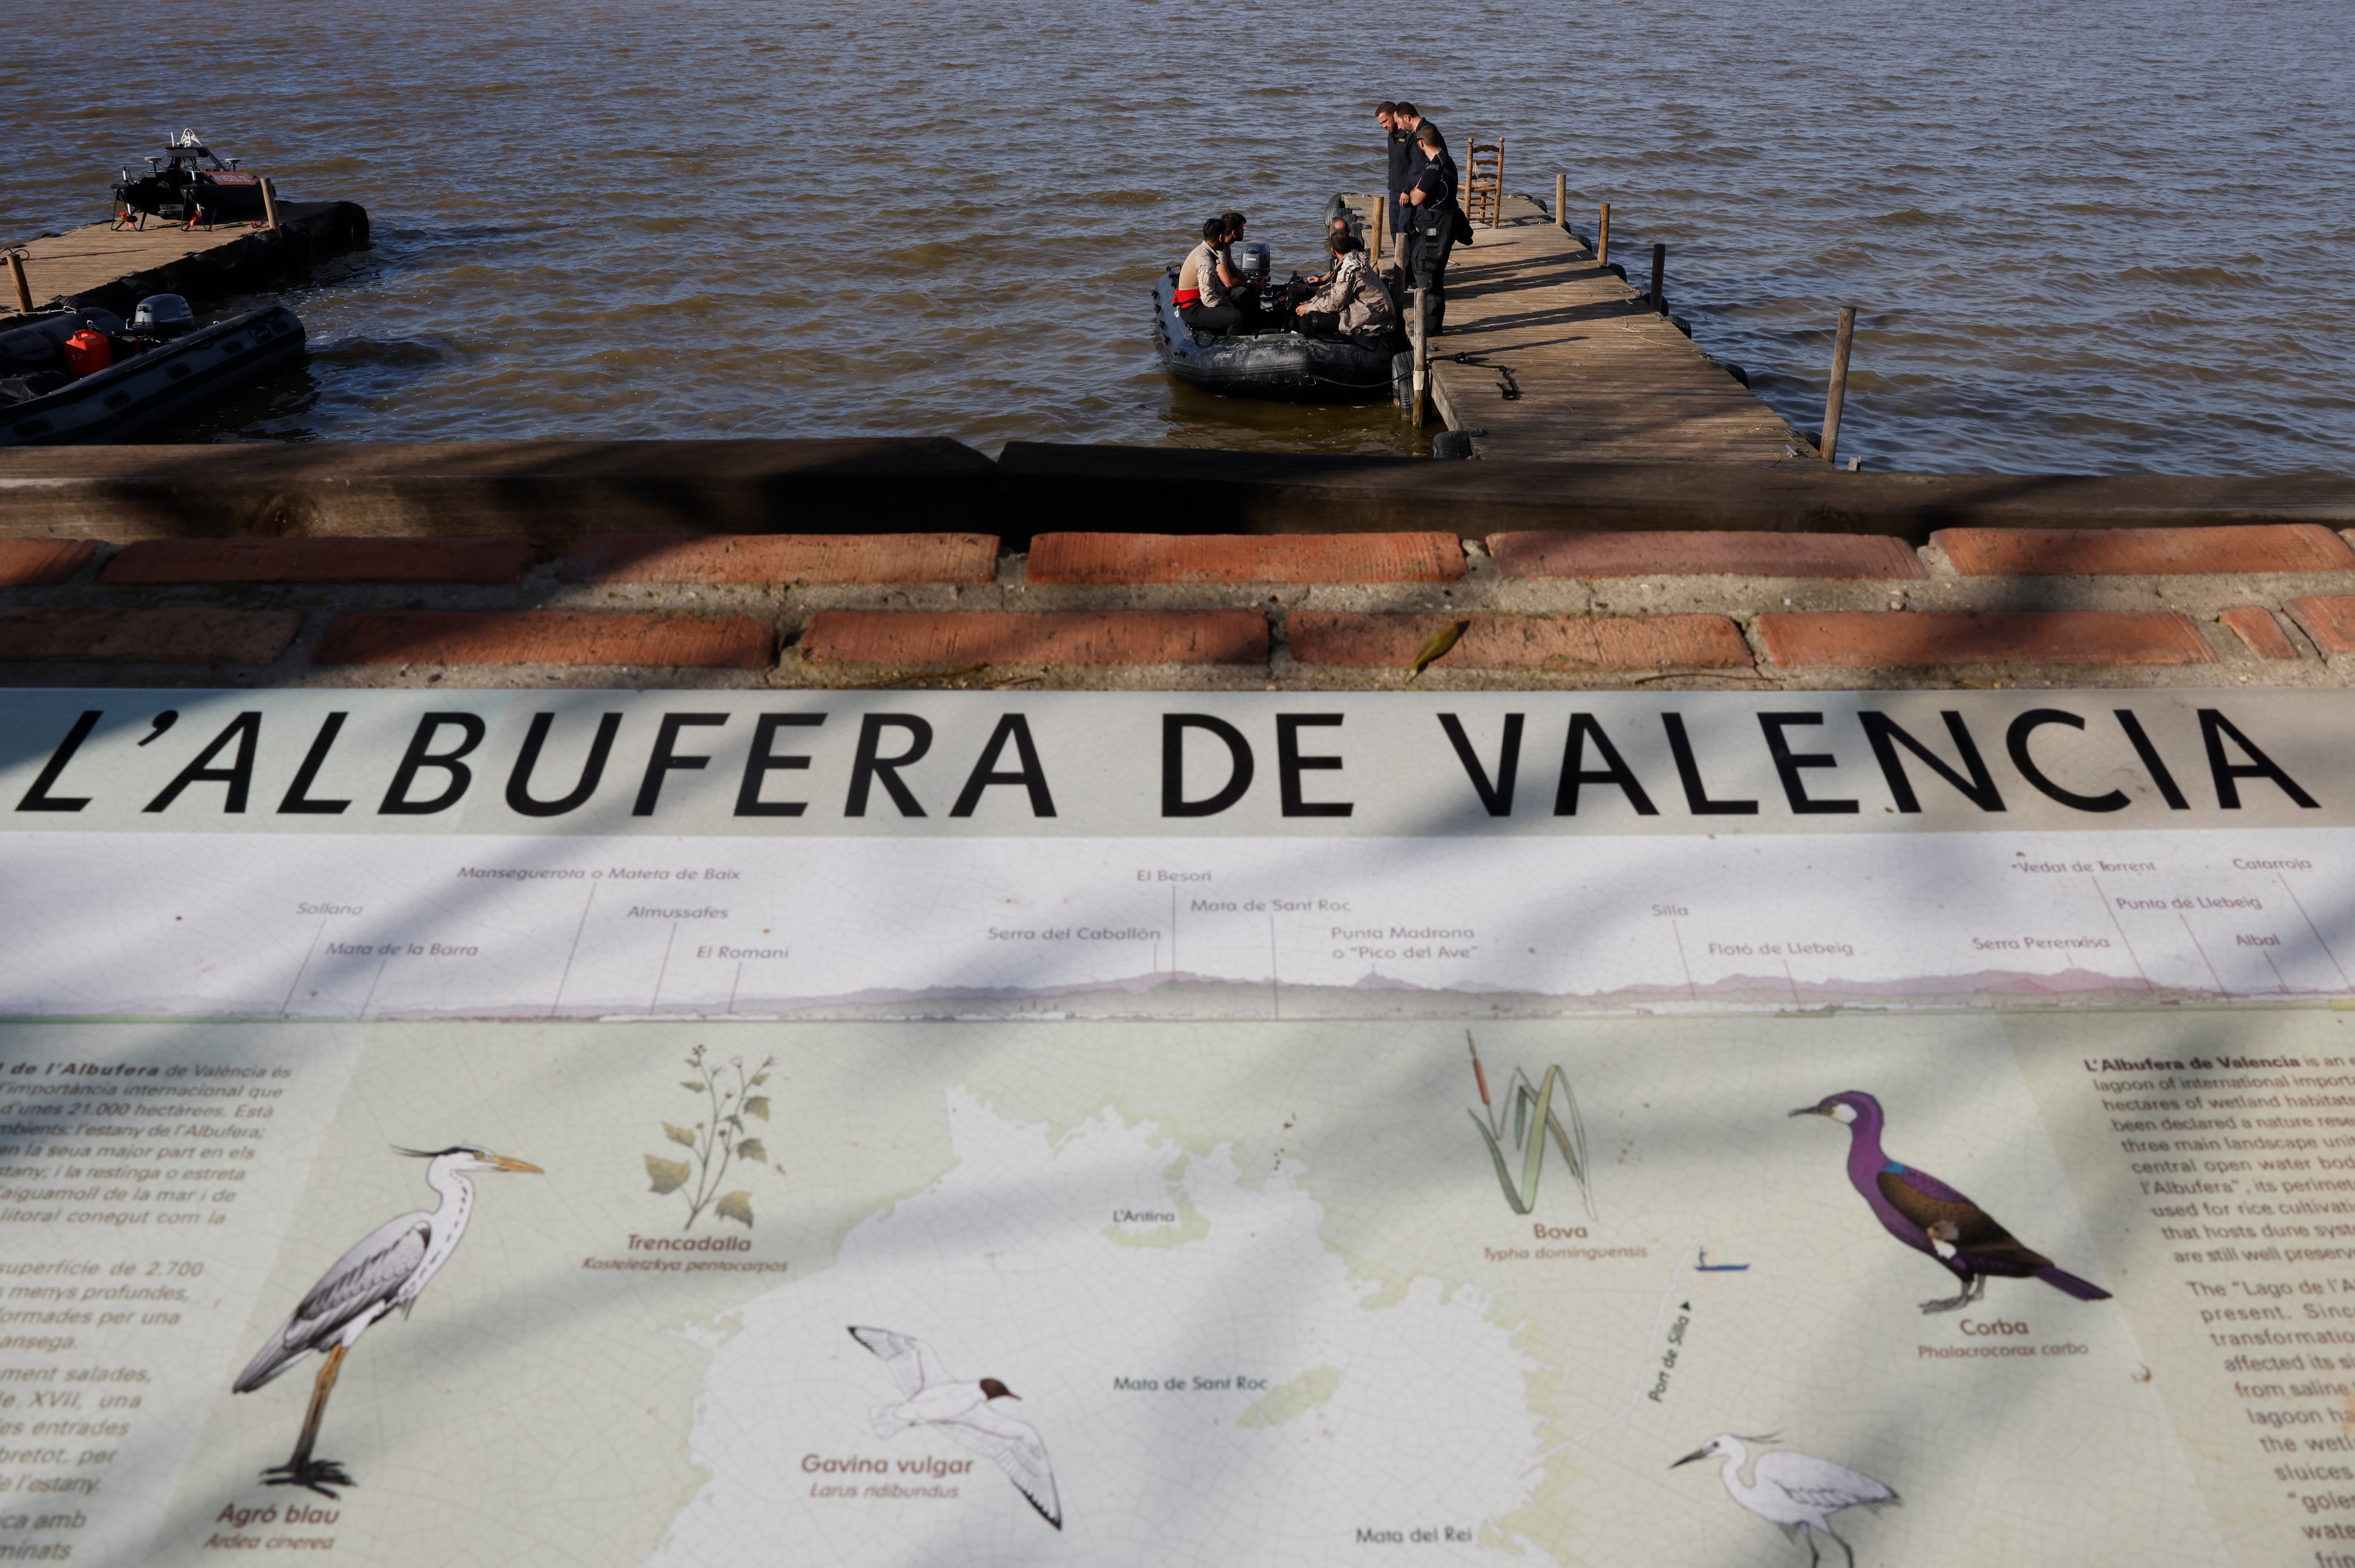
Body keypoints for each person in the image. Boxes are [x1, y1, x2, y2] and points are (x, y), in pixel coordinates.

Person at [1402, 121, 1461, 334]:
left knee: (1427, 274)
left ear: (1420, 143)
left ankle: (1429, 326)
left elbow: (1417, 198)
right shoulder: (1447, 160)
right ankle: (1430, 323)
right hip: (1442, 225)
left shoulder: (1435, 167)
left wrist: (1416, 190)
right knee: (1433, 274)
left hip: (1435, 229)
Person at [1293, 234, 1396, 337]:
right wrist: (1313, 301)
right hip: (1373, 306)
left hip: (1374, 312)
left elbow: (1335, 303)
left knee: (1312, 319)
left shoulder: (1349, 270)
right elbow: (1334, 289)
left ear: (1333, 251)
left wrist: (1309, 308)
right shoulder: (1353, 257)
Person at [1174, 217, 1242, 337]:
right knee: (1236, 317)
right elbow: (1209, 300)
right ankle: (1229, 348)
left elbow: (1214, 286)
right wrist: (1226, 304)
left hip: (1198, 300)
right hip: (1193, 308)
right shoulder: (1206, 263)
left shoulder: (1203, 250)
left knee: (1235, 301)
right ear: (1221, 238)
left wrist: (1224, 298)